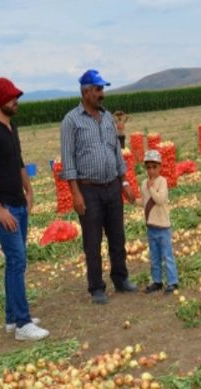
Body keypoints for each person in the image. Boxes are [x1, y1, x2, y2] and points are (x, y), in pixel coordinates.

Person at [0, 78, 49, 341]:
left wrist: (29, 190)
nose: (16, 101)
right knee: (17, 261)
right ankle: (22, 324)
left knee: (15, 262)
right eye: (12, 97)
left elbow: (18, 162)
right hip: (4, 208)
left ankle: (11, 318)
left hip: (18, 204)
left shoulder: (10, 128)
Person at [61, 70, 137, 304]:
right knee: (92, 241)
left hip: (112, 185)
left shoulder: (107, 118)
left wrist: (124, 181)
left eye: (102, 89)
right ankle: (96, 287)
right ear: (86, 92)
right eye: (98, 89)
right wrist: (75, 193)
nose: (102, 94)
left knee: (117, 236)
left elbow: (116, 150)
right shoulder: (71, 121)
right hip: (89, 189)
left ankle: (120, 278)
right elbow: (68, 158)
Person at [141, 150, 179, 293]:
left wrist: (151, 188)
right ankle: (157, 281)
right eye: (148, 167)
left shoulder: (162, 182)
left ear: (159, 167)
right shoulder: (144, 183)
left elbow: (160, 199)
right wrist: (133, 200)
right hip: (151, 227)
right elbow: (145, 201)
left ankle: (172, 282)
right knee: (154, 256)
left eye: (154, 167)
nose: (151, 170)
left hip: (163, 227)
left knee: (167, 255)